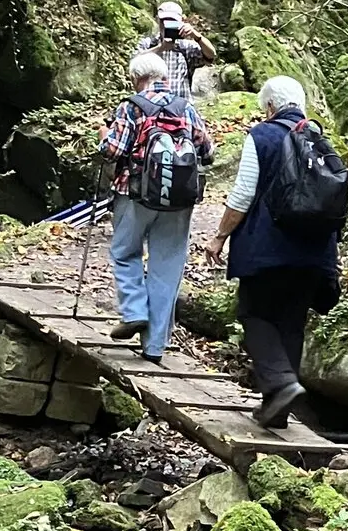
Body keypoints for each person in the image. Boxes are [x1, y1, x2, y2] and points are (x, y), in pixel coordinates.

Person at [204, 76, 339, 428]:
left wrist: (220, 235)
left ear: (269, 108)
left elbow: (243, 195)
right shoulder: (322, 141)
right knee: (291, 324)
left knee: (255, 314)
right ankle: (277, 412)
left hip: (268, 250)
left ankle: (280, 382)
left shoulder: (262, 137)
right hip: (314, 251)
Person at [99, 53, 213, 363]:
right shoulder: (185, 107)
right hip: (179, 201)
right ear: (163, 76)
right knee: (167, 266)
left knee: (125, 253)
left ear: (136, 77)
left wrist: (103, 135)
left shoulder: (131, 106)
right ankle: (154, 347)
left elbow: (112, 150)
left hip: (135, 194)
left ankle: (135, 311)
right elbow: (207, 150)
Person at [134, 2, 216, 101]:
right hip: (150, 107)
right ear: (157, 20)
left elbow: (211, 55)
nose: (166, 25)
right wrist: (161, 48)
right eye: (164, 21)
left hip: (180, 108)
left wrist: (197, 36)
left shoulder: (186, 47)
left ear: (181, 22)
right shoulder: (148, 44)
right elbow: (134, 64)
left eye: (172, 21)